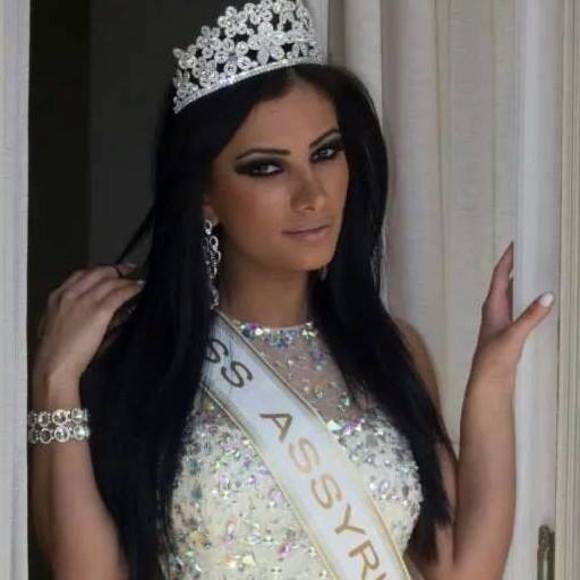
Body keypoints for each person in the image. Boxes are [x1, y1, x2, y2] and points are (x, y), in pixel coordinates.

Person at [28, 1, 556, 579]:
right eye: (266, 167)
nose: (312, 195)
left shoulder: (390, 350)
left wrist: (491, 382)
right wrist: (55, 381)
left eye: (325, 153)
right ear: (205, 195)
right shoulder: (139, 355)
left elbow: (462, 572)